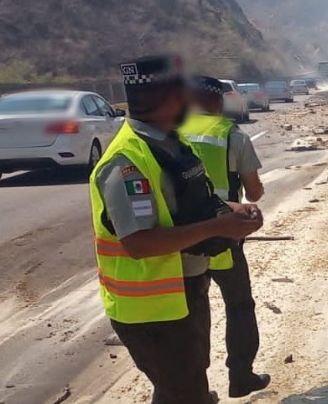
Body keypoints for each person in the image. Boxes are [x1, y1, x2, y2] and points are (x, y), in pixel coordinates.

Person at [89, 56, 264, 404]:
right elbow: (139, 242)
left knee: (185, 385)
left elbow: (189, 204)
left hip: (182, 293)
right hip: (151, 310)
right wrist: (220, 226)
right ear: (164, 98)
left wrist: (235, 211)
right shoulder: (126, 162)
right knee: (184, 392)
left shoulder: (168, 143)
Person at [179, 75, 269, 398]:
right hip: (224, 239)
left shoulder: (173, 134)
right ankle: (240, 376)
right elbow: (255, 192)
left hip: (185, 241)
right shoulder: (232, 136)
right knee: (239, 305)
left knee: (192, 315)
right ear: (218, 102)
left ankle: (196, 390)